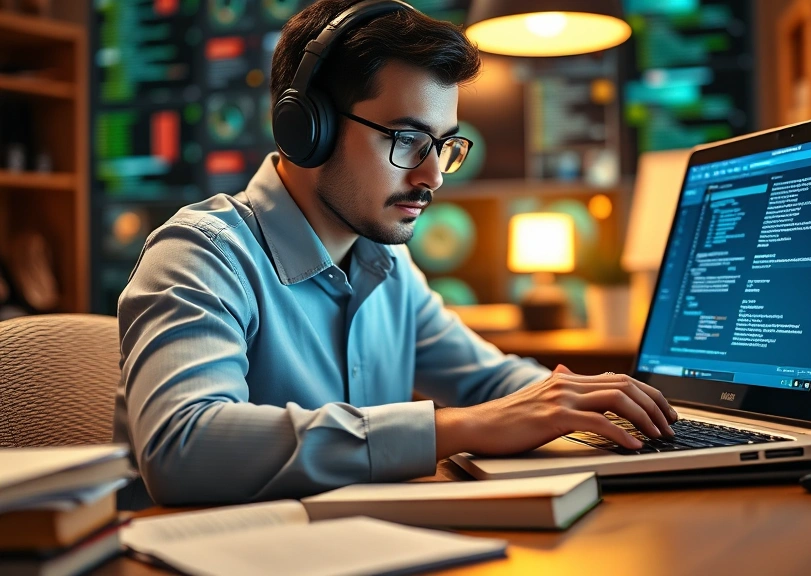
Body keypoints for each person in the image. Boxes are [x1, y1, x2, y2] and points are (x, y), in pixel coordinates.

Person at [114, 0, 676, 509]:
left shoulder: (385, 264)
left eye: (444, 144)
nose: (432, 175)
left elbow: (490, 387)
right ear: (308, 128)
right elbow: (182, 448)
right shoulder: (200, 254)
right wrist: (451, 428)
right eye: (406, 139)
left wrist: (589, 403)